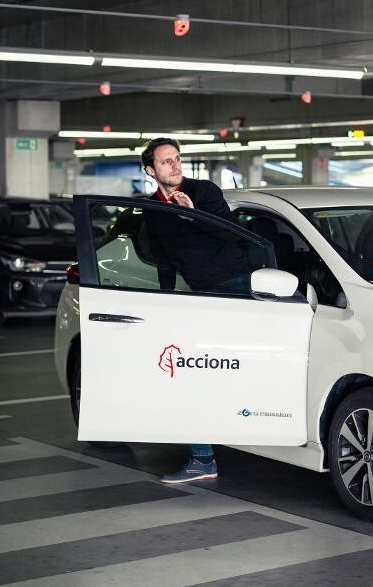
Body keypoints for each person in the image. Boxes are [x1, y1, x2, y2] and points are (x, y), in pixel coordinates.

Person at [141, 136, 243, 484]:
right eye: (166, 161)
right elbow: (164, 259)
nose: (174, 165)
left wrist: (194, 215)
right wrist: (165, 299)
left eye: (177, 158)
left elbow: (235, 237)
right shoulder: (153, 210)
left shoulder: (204, 192)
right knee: (190, 371)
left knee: (229, 369)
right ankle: (203, 457)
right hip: (200, 294)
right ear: (150, 170)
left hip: (237, 287)